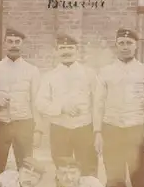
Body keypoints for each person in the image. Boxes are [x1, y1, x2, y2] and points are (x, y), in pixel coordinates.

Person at [93, 28, 144, 187]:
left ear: (136, 45)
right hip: (112, 130)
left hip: (137, 131)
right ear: (116, 45)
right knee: (115, 180)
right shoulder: (105, 72)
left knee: (141, 180)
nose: (125, 47)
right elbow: (98, 105)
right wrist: (98, 132)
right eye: (121, 43)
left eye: (129, 43)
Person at [0, 27, 43, 177]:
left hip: (24, 123)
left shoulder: (32, 70)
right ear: (4, 44)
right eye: (10, 41)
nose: (14, 45)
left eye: (17, 42)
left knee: (25, 165)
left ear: (22, 45)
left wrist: (38, 130)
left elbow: (37, 102)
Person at [36, 33, 98, 177]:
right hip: (60, 129)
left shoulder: (89, 74)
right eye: (62, 48)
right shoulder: (49, 76)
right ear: (56, 52)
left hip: (85, 128)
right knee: (62, 170)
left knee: (88, 169)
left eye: (70, 47)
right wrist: (61, 108)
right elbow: (40, 103)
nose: (66, 51)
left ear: (77, 51)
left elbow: (98, 102)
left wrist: (97, 130)